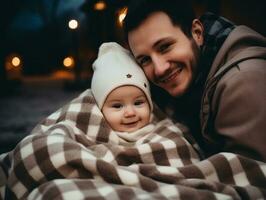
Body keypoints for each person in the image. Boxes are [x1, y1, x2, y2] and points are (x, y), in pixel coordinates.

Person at [123, 0, 266, 161]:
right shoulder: (187, 78)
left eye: (165, 47)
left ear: (197, 33)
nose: (159, 69)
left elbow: (248, 180)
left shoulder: (243, 82)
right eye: (145, 60)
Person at [91, 42, 155, 143]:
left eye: (138, 103)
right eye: (117, 106)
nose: (130, 113)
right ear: (100, 110)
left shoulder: (164, 131)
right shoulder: (94, 138)